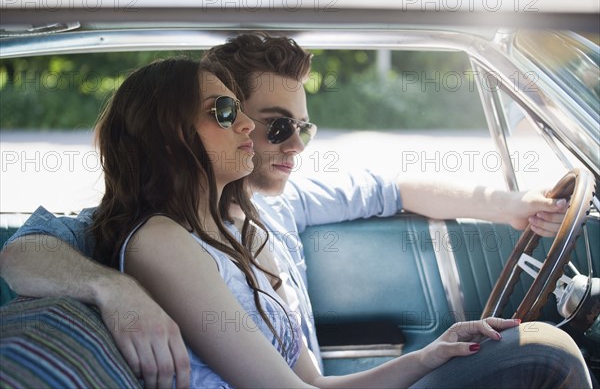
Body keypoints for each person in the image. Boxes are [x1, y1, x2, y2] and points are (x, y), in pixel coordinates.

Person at [0, 34, 579, 387]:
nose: (291, 142)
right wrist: (114, 291)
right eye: (263, 121)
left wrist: (513, 206)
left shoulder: (257, 217)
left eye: (303, 126)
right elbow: (24, 251)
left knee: (533, 348)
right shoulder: (149, 233)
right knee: (544, 355)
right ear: (169, 132)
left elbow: (390, 187)